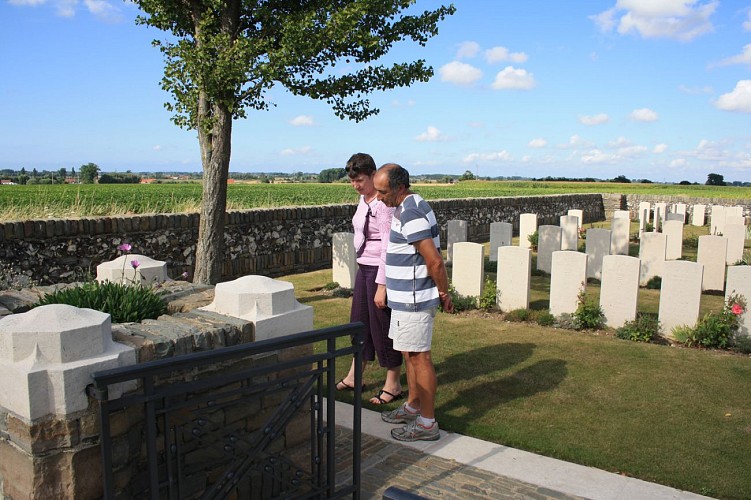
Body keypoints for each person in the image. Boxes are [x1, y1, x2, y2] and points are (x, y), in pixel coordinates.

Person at [374, 163, 454, 442]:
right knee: (409, 354)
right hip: (404, 298)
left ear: (399, 187)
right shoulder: (404, 207)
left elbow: (433, 260)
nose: (379, 197)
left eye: (383, 192)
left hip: (415, 298)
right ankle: (413, 406)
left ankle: (427, 423)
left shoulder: (411, 212)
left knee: (421, 358)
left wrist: (444, 293)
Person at [335, 153, 404, 405]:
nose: (356, 185)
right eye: (352, 181)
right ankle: (355, 376)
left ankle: (393, 383)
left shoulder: (382, 204)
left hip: (379, 270)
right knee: (359, 323)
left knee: (382, 326)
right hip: (364, 267)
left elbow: (388, 245)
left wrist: (382, 286)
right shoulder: (364, 200)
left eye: (360, 180)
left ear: (373, 175)